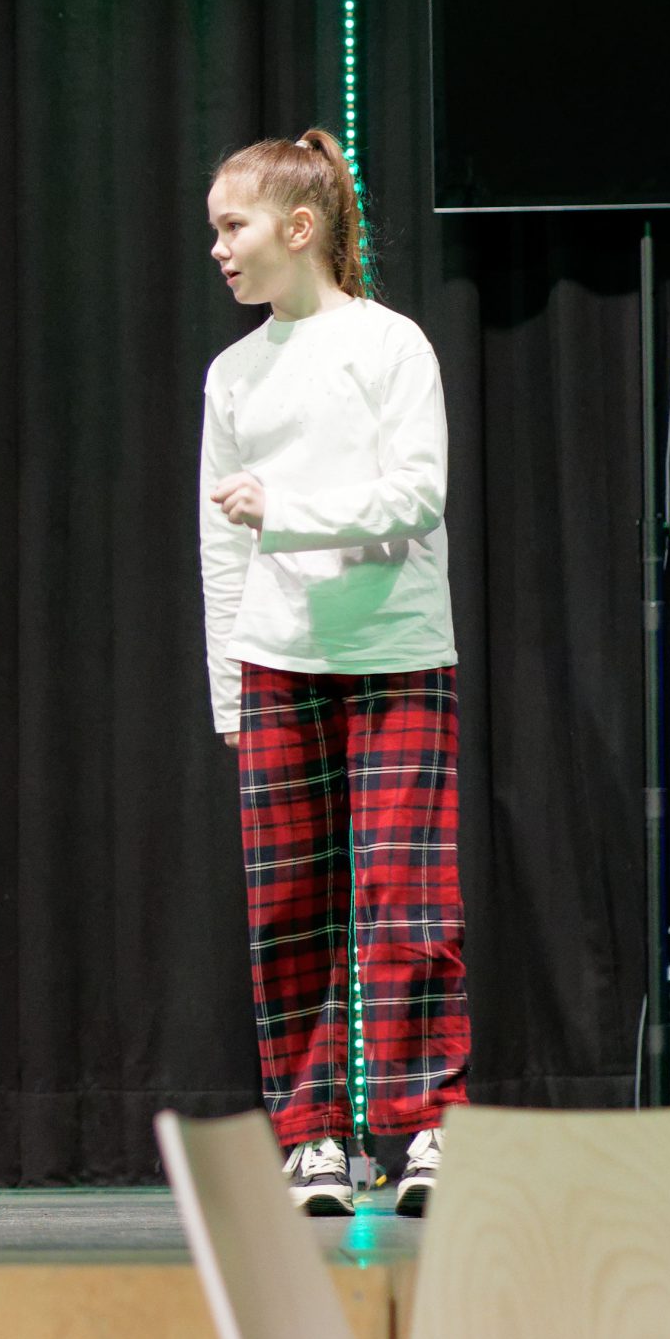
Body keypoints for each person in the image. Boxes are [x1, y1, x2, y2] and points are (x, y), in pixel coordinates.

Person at [199, 127, 470, 1218]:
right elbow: (219, 544)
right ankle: (309, 1134)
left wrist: (288, 510)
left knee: (408, 900)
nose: (219, 248)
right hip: (277, 663)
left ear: (299, 228)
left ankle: (426, 1125)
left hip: (397, 656)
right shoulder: (232, 374)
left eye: (234, 226)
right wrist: (227, 685)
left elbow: (417, 494)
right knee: (288, 908)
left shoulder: (390, 346)